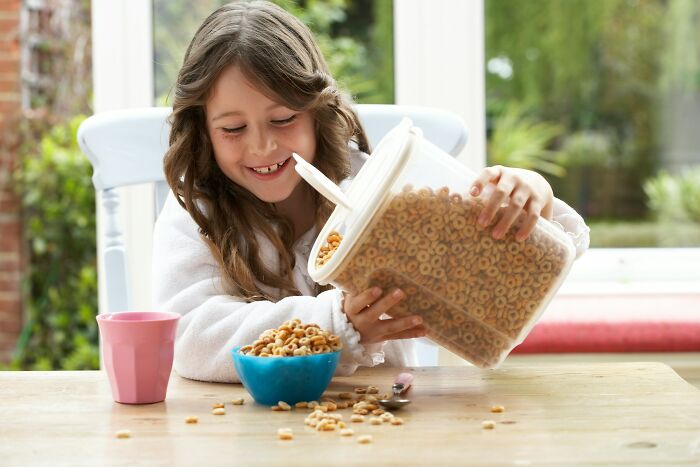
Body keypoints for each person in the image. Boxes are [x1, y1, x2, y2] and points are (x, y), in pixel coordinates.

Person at [153, 0, 590, 383]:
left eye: (283, 119)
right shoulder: (196, 212)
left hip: (387, 415)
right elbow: (188, 337)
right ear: (204, 131)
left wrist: (531, 200)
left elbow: (494, 285)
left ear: (315, 112)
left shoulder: (374, 188)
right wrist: (333, 323)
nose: (262, 146)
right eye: (233, 128)